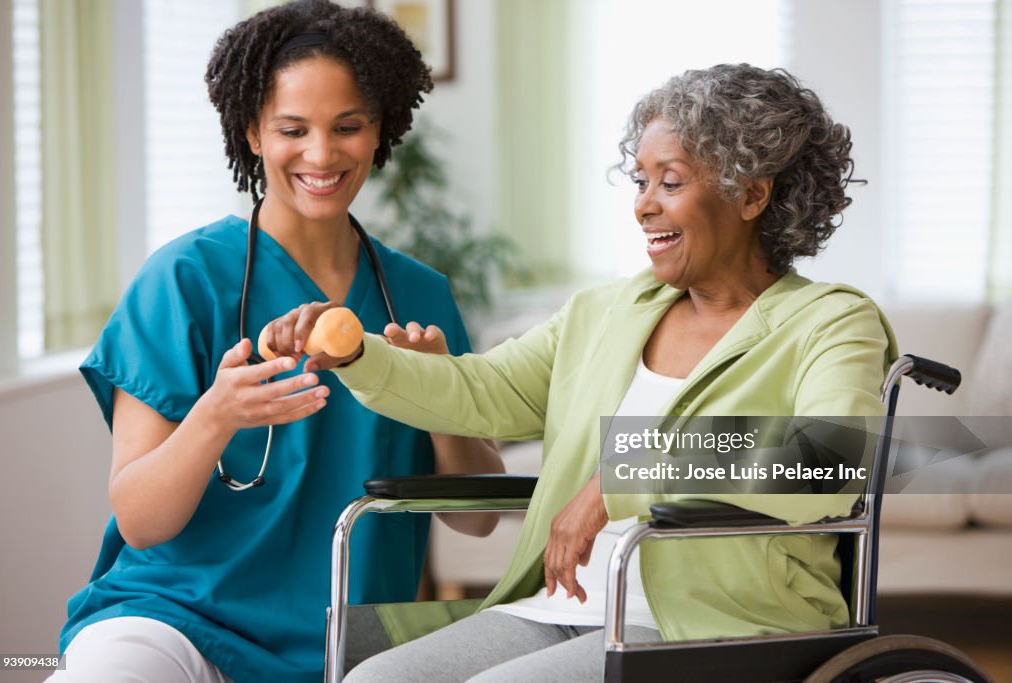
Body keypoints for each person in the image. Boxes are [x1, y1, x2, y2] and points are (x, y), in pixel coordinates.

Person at [263, 64, 898, 682]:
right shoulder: (607, 312)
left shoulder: (830, 322)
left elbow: (829, 461)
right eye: (641, 182)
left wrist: (617, 480)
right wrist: (357, 354)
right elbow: (481, 391)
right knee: (377, 677)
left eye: (669, 182)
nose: (644, 206)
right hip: (559, 605)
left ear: (752, 194)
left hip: (714, 623)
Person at [51, 2, 502, 682]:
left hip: (348, 645)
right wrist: (218, 413)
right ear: (252, 133)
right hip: (178, 621)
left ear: (379, 130)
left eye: (348, 127)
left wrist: (439, 396)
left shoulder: (418, 296)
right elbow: (141, 521)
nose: (321, 154)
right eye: (293, 129)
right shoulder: (184, 280)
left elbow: (479, 520)